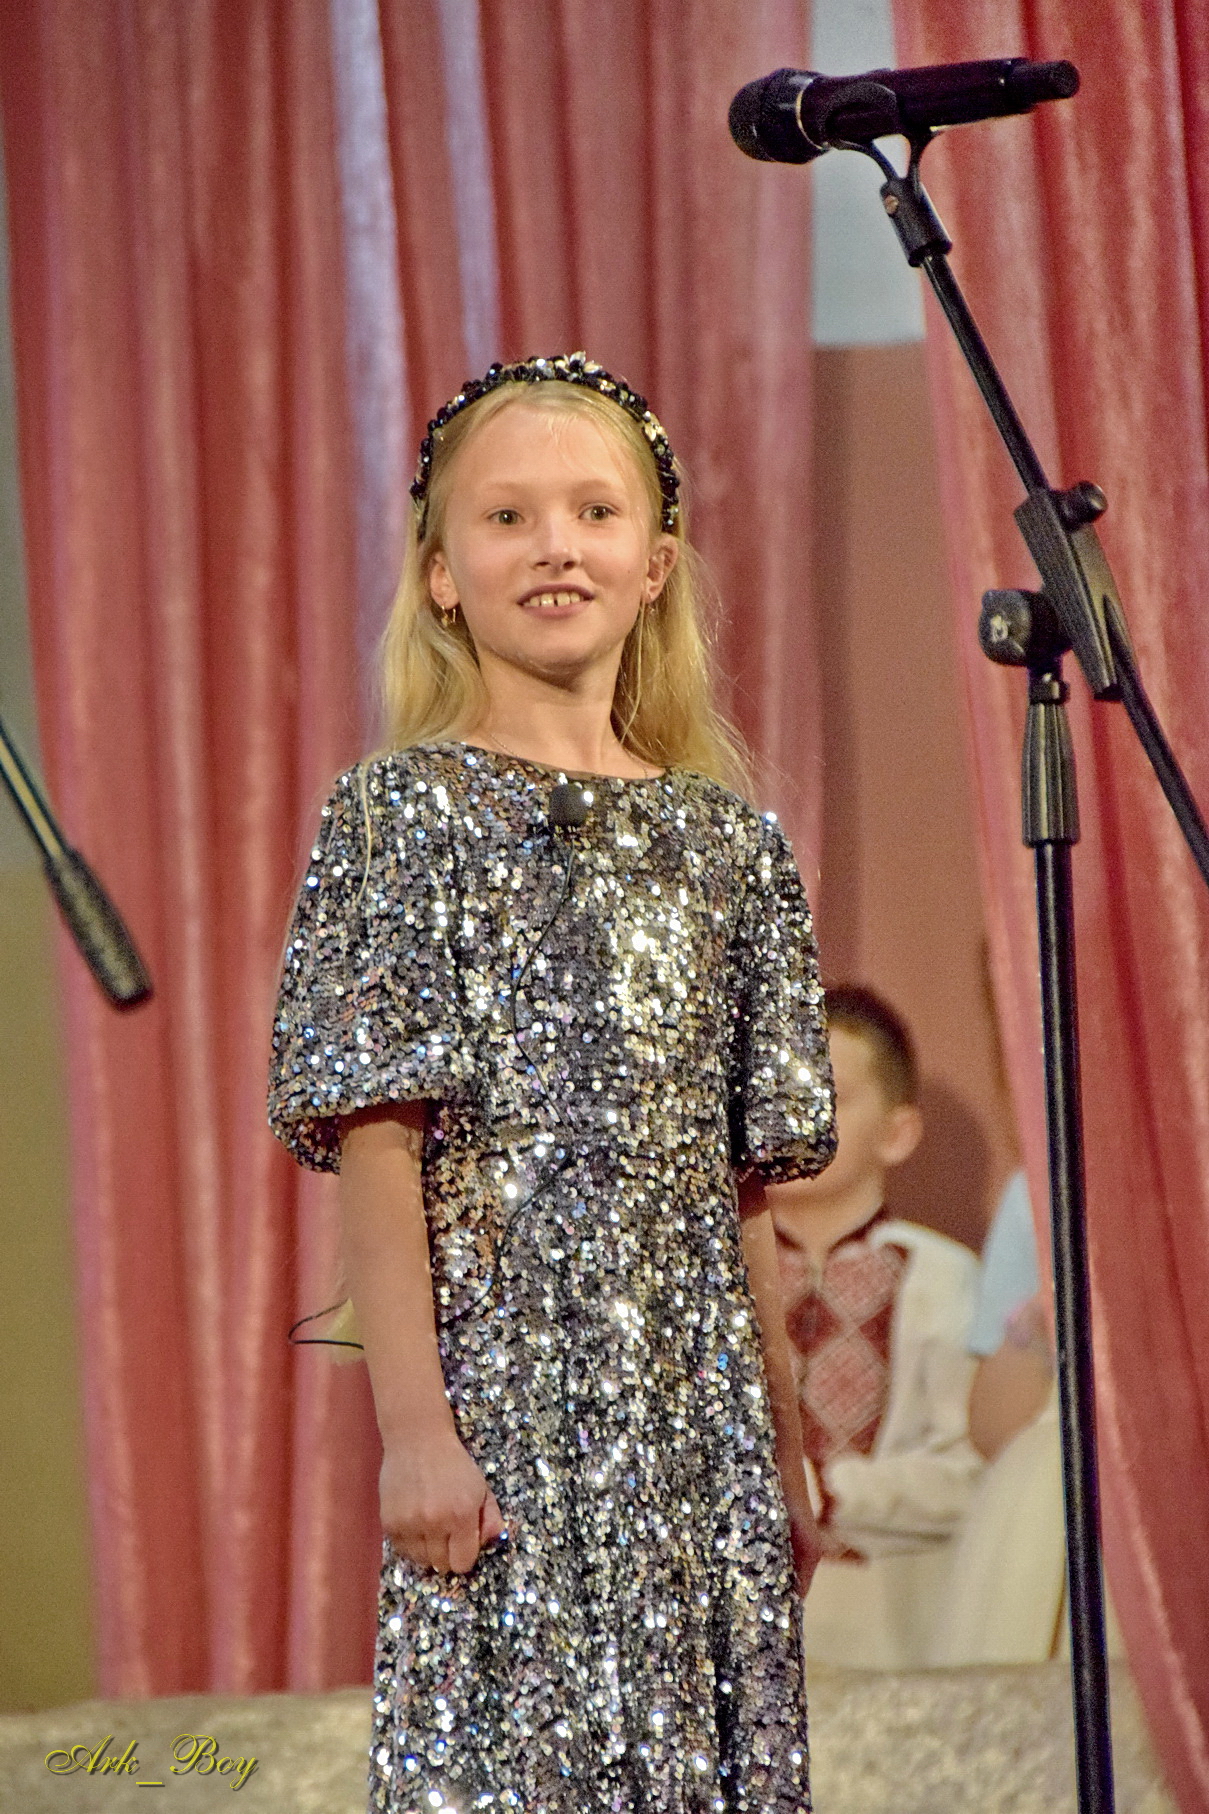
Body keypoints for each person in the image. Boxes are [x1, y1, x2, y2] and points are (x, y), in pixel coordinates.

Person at [268, 352, 836, 1813]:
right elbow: (379, 1141)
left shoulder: (730, 847)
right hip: (506, 1418)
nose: (554, 547)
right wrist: (416, 1432)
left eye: (593, 511)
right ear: (442, 575)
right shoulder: (399, 813)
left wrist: (781, 1440)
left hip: (698, 1428)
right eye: (507, 516)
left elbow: (745, 1189)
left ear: (655, 565)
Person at [772, 985, 984, 1669]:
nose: (794, 1120)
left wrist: (830, 1490)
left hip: (889, 1626)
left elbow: (975, 1472)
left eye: (827, 1099)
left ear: (896, 1133)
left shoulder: (940, 1276)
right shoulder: (707, 1274)